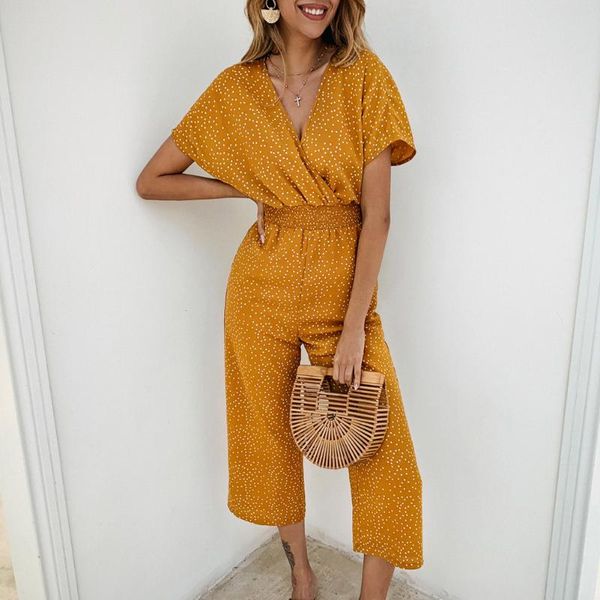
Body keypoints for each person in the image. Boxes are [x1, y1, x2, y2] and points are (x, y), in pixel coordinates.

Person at [136, 1, 422, 598]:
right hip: (260, 287)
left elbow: (378, 218)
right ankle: (301, 573)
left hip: (343, 297)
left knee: (386, 457)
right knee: (268, 442)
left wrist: (354, 329)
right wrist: (245, 185)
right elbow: (153, 180)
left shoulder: (365, 78)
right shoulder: (235, 89)